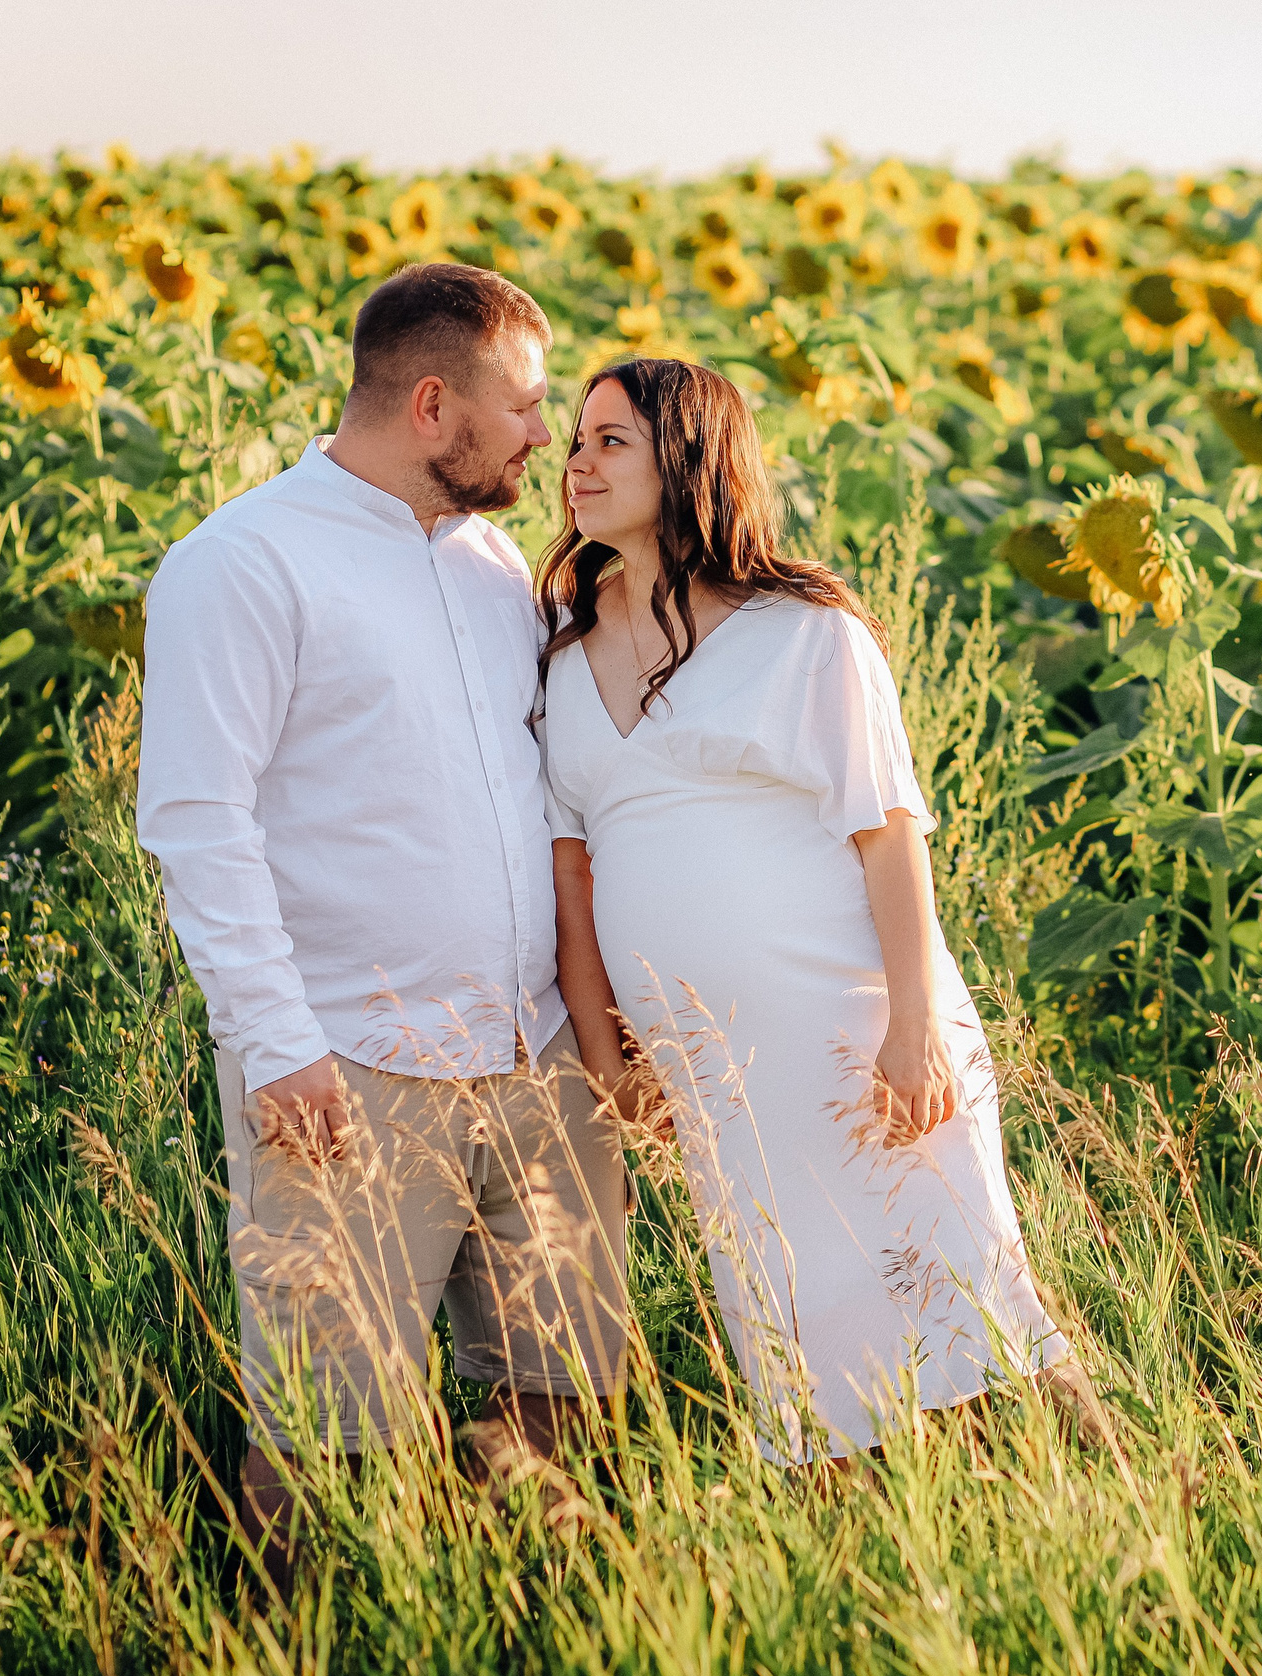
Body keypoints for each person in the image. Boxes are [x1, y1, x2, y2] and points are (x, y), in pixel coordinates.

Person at [137, 262, 630, 1584]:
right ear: (431, 404)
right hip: (344, 1063)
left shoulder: (493, 568)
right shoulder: (242, 562)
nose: (546, 435)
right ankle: (286, 1652)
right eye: (524, 405)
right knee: (322, 1423)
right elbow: (198, 815)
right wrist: (274, 1040)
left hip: (535, 1056)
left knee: (559, 1379)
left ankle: (508, 1624)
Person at [536, 357, 1089, 1465]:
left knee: (970, 1300)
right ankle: (869, 1580)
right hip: (717, 1070)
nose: (576, 464)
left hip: (855, 1036)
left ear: (685, 460)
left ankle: (1124, 1506)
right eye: (574, 440)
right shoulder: (558, 639)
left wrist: (913, 1028)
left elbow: (889, 835)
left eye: (610, 442)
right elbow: (573, 870)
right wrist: (605, 1051)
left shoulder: (805, 630)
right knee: (795, 1326)